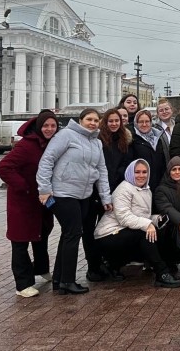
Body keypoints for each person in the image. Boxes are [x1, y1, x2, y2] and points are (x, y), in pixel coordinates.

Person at [37, 108, 112, 294]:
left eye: (96, 120)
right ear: (80, 120)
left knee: (68, 234)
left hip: (84, 195)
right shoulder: (66, 135)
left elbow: (102, 171)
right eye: (89, 119)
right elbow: (47, 160)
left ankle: (59, 279)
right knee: (74, 233)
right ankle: (68, 281)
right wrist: (44, 189)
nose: (93, 123)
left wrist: (105, 197)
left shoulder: (97, 142)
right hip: (63, 193)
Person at [0, 110, 58, 297]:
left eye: (53, 126)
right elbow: (3, 167)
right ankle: (23, 284)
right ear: (39, 127)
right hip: (23, 201)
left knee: (41, 234)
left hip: (41, 201)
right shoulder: (26, 146)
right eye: (45, 126)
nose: (49, 129)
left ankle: (41, 268)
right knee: (20, 241)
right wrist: (24, 186)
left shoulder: (51, 144)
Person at [94, 159, 180, 287]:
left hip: (124, 231)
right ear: (130, 173)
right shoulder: (124, 189)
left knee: (159, 231)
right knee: (144, 235)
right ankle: (161, 273)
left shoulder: (147, 190)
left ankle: (113, 264)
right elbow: (124, 217)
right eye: (137, 172)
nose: (141, 175)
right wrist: (147, 224)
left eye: (144, 172)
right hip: (107, 234)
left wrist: (156, 219)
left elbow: (142, 216)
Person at [82, 108, 133, 282]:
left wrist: (117, 178)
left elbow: (127, 163)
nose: (114, 123)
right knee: (89, 230)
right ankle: (93, 266)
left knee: (112, 230)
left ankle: (112, 264)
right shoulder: (98, 139)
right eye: (110, 121)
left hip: (115, 191)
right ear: (105, 122)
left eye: (116, 120)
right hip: (94, 192)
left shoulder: (124, 140)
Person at [131, 109, 163, 191]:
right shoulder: (132, 141)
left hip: (158, 185)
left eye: (147, 121)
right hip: (140, 186)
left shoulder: (158, 139)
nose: (144, 124)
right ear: (136, 123)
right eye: (141, 122)